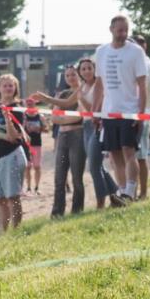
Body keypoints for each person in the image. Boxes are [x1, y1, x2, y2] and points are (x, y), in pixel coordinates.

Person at [93, 15, 148, 206]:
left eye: (126, 30)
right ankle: (122, 191)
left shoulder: (136, 51)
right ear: (111, 29)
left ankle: (130, 191)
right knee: (114, 153)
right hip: (109, 111)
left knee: (128, 151)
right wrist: (96, 111)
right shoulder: (101, 51)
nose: (123, 33)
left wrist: (140, 113)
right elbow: (99, 84)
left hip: (129, 111)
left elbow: (142, 85)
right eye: (120, 30)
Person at [0, 74, 29, 231]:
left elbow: (14, 136)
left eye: (11, 85)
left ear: (15, 88)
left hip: (12, 156)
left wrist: (8, 119)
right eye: (5, 85)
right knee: (0, 199)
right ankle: (3, 232)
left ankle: (16, 231)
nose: (8, 88)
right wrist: (1, 135)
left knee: (12, 197)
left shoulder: (18, 108)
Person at [37, 66, 86, 217]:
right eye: (67, 75)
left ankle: (77, 210)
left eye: (73, 75)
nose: (70, 78)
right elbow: (54, 117)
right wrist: (67, 119)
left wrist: (64, 119)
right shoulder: (62, 94)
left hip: (77, 136)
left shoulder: (83, 92)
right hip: (62, 138)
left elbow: (80, 115)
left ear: (79, 75)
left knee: (76, 176)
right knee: (59, 177)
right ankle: (57, 212)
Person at [132, 35, 150, 200]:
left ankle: (141, 193)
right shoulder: (147, 63)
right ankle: (137, 192)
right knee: (138, 155)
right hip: (144, 110)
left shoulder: (144, 64)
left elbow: (140, 90)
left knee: (139, 156)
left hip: (141, 112)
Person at [22, 100, 45, 196]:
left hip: (37, 144)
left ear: (35, 105)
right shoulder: (23, 116)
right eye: (28, 104)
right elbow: (20, 129)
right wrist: (25, 127)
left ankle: (37, 187)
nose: (30, 106)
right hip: (26, 145)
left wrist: (39, 128)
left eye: (31, 104)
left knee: (37, 166)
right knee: (27, 167)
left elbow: (46, 129)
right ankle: (28, 188)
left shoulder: (40, 116)